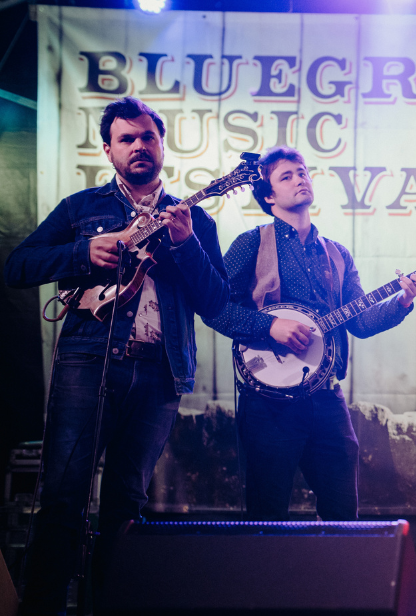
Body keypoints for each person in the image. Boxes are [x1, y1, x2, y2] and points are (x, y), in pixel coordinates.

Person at [4, 96, 229, 614]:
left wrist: (187, 244)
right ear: (109, 151)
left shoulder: (194, 220)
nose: (139, 146)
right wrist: (83, 251)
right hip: (88, 365)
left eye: (147, 137)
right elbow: (18, 266)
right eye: (126, 139)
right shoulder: (82, 210)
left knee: (127, 505)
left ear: (162, 145)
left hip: (161, 375)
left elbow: (217, 305)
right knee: (63, 497)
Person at [202, 146, 416, 521]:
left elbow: (361, 322)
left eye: (303, 172)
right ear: (268, 195)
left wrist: (402, 300)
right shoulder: (251, 244)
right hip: (268, 404)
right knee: (267, 516)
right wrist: (269, 325)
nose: (300, 179)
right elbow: (214, 307)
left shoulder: (337, 253)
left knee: (343, 513)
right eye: (286, 176)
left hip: (326, 400)